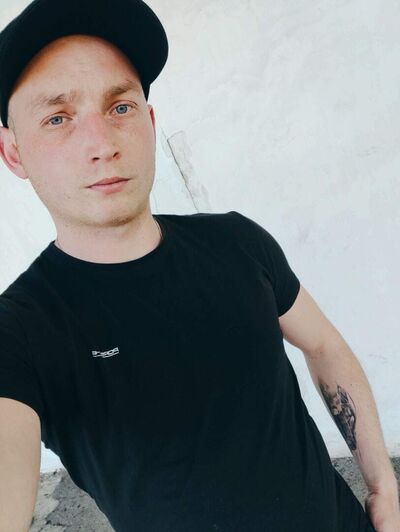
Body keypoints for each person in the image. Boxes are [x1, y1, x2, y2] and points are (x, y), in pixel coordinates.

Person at [0, 1, 398, 531]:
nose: (102, 144)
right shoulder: (21, 332)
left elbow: (323, 345)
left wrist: (383, 485)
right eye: (58, 118)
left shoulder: (236, 241)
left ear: (150, 122)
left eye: (120, 107)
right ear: (13, 153)